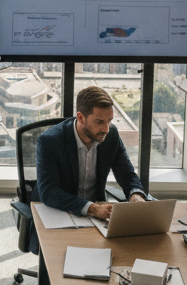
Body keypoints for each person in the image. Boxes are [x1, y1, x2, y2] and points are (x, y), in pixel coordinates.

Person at [35, 86, 146, 220]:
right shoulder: (49, 141)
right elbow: (49, 192)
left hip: (96, 216)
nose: (106, 129)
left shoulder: (111, 136)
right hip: (57, 212)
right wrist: (92, 209)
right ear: (81, 118)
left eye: (109, 121)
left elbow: (127, 174)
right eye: (99, 122)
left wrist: (136, 194)